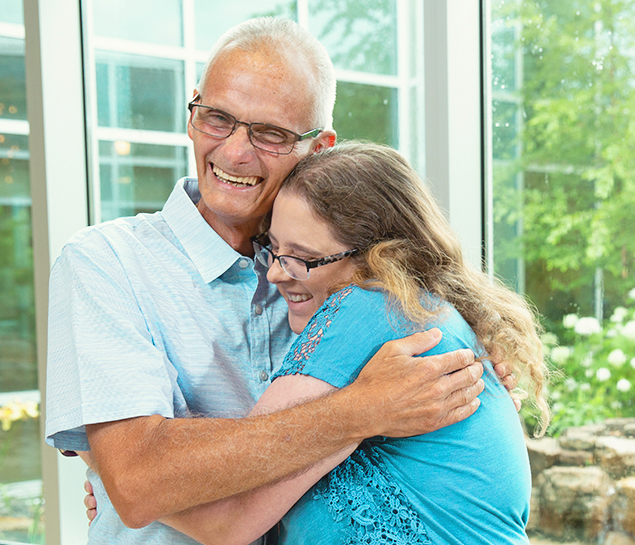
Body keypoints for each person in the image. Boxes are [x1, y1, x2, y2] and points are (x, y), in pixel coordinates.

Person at [45, 17, 513, 544]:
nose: (236, 152)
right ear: (193, 112)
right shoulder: (104, 264)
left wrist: (477, 370)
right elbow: (136, 484)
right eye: (217, 118)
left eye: (270, 134)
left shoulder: (341, 276)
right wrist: (359, 411)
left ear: (320, 147)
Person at [153, 141, 550, 545]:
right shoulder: (429, 314)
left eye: (302, 258)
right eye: (274, 248)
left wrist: (114, 466)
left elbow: (225, 518)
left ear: (379, 256)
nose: (274, 274)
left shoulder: (368, 304)